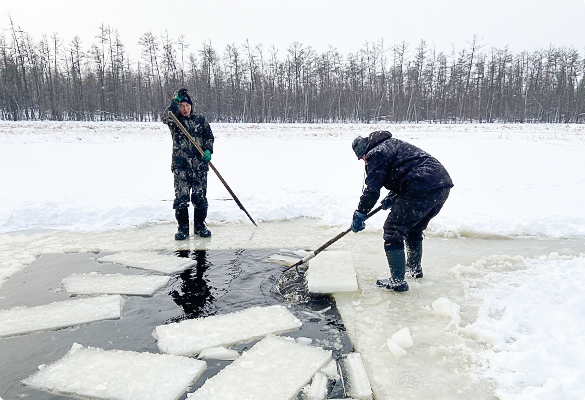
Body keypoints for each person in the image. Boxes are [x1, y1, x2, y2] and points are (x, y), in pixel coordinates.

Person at [350, 130, 453, 292]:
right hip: (441, 184)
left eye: (361, 158)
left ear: (364, 152)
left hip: (420, 185)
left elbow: (372, 189)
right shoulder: (391, 145)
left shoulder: (376, 154)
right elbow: (406, 169)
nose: (364, 161)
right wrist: (392, 196)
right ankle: (414, 269)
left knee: (393, 230)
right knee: (414, 228)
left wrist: (360, 212)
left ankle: (397, 281)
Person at [162, 88, 214, 240]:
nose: (184, 109)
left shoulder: (200, 119)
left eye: (187, 105)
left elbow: (209, 137)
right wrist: (175, 101)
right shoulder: (175, 120)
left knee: (200, 198)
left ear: (191, 106)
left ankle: (199, 226)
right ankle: (182, 228)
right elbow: (165, 117)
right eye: (182, 105)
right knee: (181, 199)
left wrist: (208, 150)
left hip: (200, 166)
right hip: (181, 166)